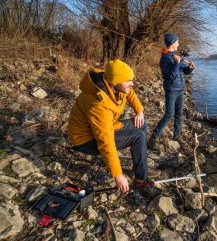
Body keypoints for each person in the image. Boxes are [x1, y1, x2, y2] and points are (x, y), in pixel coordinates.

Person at [68, 59, 160, 198]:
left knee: (141, 123)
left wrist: (139, 111)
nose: (132, 83)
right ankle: (141, 181)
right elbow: (105, 141)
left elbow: (129, 92)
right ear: (115, 83)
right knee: (138, 136)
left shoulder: (112, 82)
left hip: (105, 126)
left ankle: (142, 168)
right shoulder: (97, 104)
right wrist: (118, 175)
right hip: (86, 141)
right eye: (128, 80)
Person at [148, 33, 195, 150]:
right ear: (172, 43)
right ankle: (153, 137)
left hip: (180, 89)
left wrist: (190, 68)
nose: (178, 44)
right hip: (171, 89)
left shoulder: (174, 55)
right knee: (169, 115)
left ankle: (177, 135)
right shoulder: (164, 58)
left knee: (179, 113)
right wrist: (176, 63)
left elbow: (184, 72)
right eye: (177, 42)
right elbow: (170, 76)